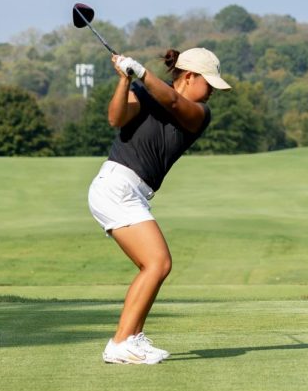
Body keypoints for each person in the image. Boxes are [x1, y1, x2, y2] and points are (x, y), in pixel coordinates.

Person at [87, 47, 230, 364]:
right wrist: (126, 80)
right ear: (189, 76)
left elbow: (175, 102)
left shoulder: (200, 113)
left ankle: (129, 338)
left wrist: (140, 72)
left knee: (153, 265)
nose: (211, 93)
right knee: (158, 263)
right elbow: (115, 117)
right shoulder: (142, 92)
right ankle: (122, 341)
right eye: (208, 84)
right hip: (116, 184)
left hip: (130, 191)